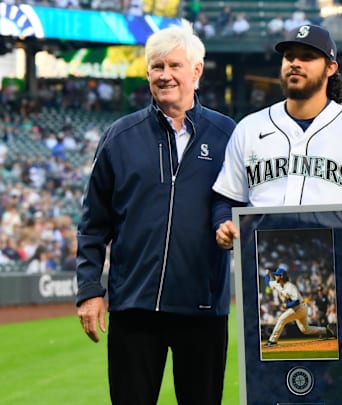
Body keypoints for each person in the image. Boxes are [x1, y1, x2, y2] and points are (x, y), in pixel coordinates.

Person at [75, 25, 236, 404]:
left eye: (174, 65)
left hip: (203, 308)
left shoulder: (229, 135)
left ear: (196, 71)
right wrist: (88, 291)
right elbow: (93, 223)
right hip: (134, 307)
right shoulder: (120, 135)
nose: (164, 75)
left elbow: (241, 206)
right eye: (156, 66)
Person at [212, 24, 342, 280]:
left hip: (334, 274)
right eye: (289, 57)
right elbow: (226, 199)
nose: (295, 63)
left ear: (331, 68)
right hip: (262, 275)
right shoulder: (249, 128)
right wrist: (223, 225)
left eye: (307, 57)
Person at [263, 266, 335, 346]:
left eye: (277, 275)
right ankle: (327, 331)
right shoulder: (277, 284)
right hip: (297, 308)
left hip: (299, 308)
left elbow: (296, 301)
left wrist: (286, 305)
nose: (275, 276)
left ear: (282, 276)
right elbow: (267, 283)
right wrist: (267, 274)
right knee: (305, 330)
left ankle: (272, 341)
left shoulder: (290, 287)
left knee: (282, 319)